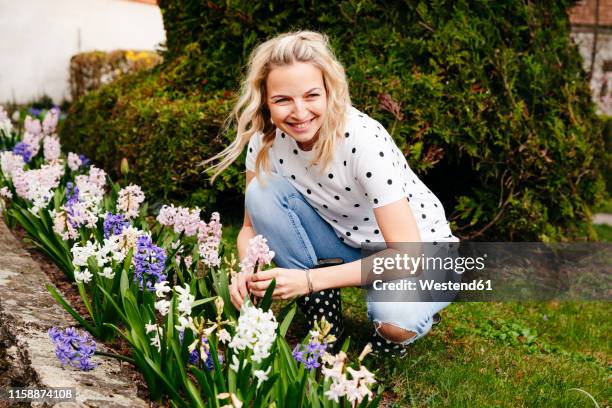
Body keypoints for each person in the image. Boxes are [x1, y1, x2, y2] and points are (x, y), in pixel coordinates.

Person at [205, 31, 458, 356]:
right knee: (260, 191)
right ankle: (323, 316)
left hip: (420, 252)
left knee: (395, 321)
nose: (299, 112)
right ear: (265, 101)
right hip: (347, 241)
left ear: (329, 92)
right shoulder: (264, 142)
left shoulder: (362, 141)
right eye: (282, 99)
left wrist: (309, 279)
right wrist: (246, 272)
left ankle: (402, 316)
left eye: (311, 95)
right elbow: (249, 229)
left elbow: (407, 255)